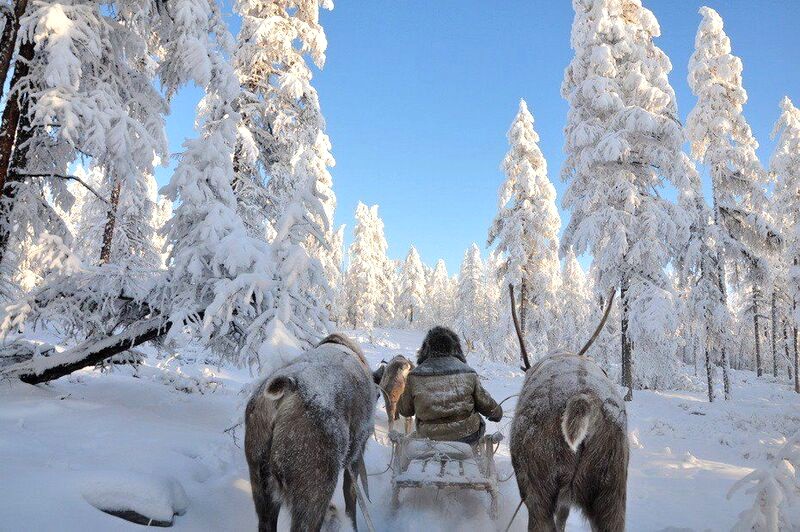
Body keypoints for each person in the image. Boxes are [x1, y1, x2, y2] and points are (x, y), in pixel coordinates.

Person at [398, 326, 502, 445]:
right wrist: (497, 413)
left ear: (427, 349)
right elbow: (486, 404)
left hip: (428, 437)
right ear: (453, 348)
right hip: (467, 436)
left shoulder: (414, 376)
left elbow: (405, 411)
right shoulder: (468, 372)